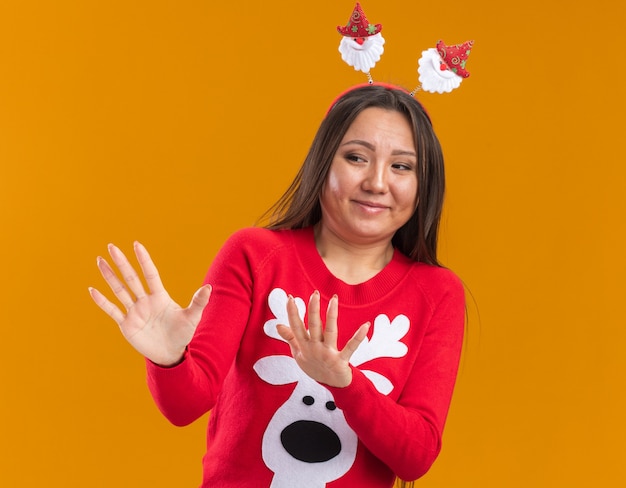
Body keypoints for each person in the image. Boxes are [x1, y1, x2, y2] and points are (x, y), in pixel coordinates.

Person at [89, 84, 465, 488]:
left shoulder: (437, 292)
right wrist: (169, 359)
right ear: (323, 163)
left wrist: (345, 383)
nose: (376, 182)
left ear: (424, 183)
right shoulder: (254, 255)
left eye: (402, 167)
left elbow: (416, 456)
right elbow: (185, 407)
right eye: (356, 157)